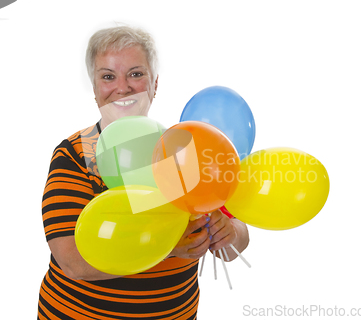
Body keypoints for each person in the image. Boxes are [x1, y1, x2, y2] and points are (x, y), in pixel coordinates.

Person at [38, 24, 250, 319]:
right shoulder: (73, 155)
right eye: (108, 77)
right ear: (95, 88)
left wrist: (229, 234)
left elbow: (236, 237)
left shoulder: (187, 146)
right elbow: (73, 263)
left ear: (155, 84)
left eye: (136, 74)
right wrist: (167, 246)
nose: (122, 87)